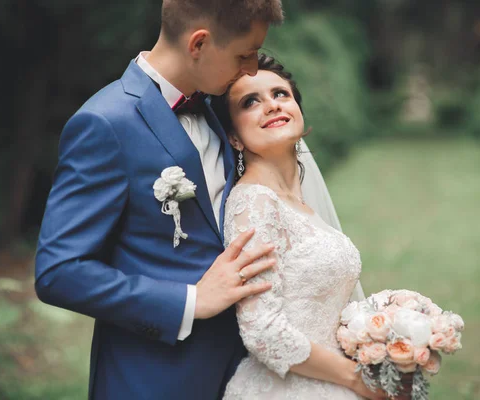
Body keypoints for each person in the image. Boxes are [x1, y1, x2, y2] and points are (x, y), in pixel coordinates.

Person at [34, 2, 285, 399]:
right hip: (153, 379)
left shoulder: (221, 108)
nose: (253, 68)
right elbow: (59, 272)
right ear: (198, 43)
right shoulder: (105, 123)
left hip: (244, 376)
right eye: (243, 54)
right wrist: (190, 301)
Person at [212, 54, 408, 400]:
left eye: (280, 94)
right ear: (234, 138)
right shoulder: (254, 203)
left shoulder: (300, 204)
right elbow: (262, 330)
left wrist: (387, 327)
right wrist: (353, 378)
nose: (271, 105)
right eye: (250, 102)